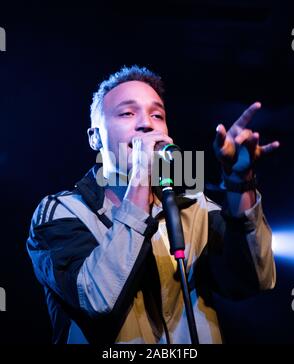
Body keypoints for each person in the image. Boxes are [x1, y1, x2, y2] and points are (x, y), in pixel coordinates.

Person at [26, 65, 279, 344]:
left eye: (157, 115)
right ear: (94, 137)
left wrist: (240, 181)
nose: (146, 124)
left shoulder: (195, 207)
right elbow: (96, 298)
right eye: (127, 113)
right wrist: (141, 177)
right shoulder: (61, 211)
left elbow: (252, 279)